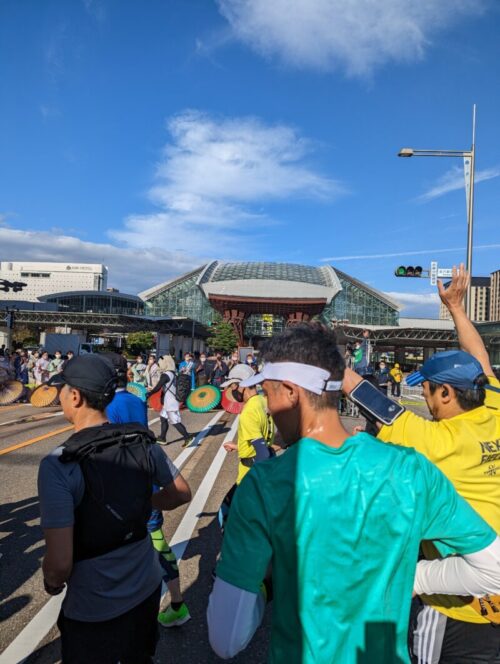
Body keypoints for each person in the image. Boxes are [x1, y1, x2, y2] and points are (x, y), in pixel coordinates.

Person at [207, 323, 500, 663]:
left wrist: (268, 583)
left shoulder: (263, 486)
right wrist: (407, 577)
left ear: (290, 391)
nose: (268, 408)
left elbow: (225, 639)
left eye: (268, 394)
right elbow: (493, 569)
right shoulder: (414, 470)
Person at [342, 265, 500, 663]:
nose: (426, 401)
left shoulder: (435, 439)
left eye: (427, 391)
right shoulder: (495, 406)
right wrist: (457, 309)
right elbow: (480, 361)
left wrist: (313, 354)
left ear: (446, 392)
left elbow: (366, 396)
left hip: (455, 607)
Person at [38, 354, 191, 664]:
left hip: (94, 605)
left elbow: (60, 564)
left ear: (76, 397)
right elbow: (180, 492)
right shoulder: (143, 442)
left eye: (63, 389)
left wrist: (52, 583)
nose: (61, 396)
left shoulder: (58, 463)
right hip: (146, 587)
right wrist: (139, 502)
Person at [105, 356, 190, 629]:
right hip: (148, 483)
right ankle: (176, 602)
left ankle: (128, 613)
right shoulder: (134, 400)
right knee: (158, 543)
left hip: (122, 491)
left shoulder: (107, 407)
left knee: (120, 551)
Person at [148, 355, 194, 447]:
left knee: (175, 421)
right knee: (163, 418)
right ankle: (162, 438)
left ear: (166, 363)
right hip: (169, 401)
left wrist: (149, 393)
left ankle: (187, 437)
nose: (159, 365)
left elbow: (158, 386)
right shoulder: (173, 373)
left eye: (160, 363)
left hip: (171, 402)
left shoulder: (166, 374)